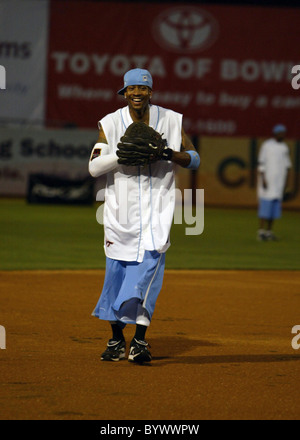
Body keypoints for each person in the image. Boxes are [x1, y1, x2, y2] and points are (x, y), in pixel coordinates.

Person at [88, 68, 200, 363]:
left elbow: (194, 158)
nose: (137, 93)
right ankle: (115, 341)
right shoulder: (111, 123)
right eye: (131, 89)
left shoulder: (172, 120)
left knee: (146, 280)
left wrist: (168, 154)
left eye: (142, 88)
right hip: (119, 215)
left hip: (157, 215)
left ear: (151, 92)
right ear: (124, 93)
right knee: (115, 279)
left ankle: (139, 341)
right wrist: (121, 154)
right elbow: (94, 168)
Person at [257, 124, 292, 241]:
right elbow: (261, 163)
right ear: (275, 133)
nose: (283, 135)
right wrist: (263, 179)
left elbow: (287, 166)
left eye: (284, 133)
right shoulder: (267, 145)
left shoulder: (284, 147)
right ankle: (261, 231)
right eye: (280, 132)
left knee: (274, 209)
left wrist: (286, 183)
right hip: (268, 181)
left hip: (279, 183)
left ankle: (269, 232)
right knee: (265, 207)